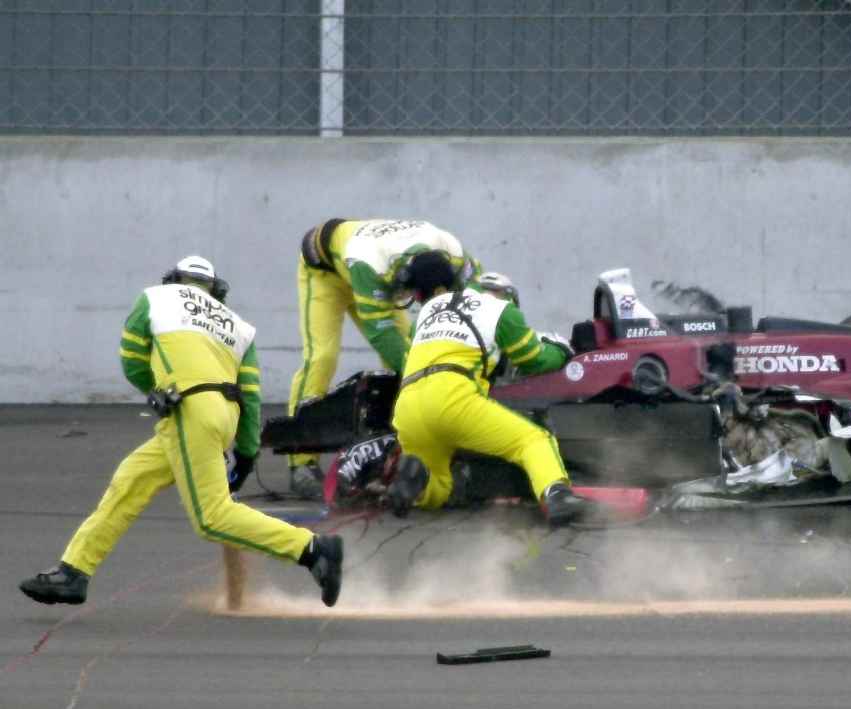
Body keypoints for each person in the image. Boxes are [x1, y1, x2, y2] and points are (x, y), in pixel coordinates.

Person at [19, 256, 344, 607]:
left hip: (189, 410)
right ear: (214, 290)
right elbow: (251, 398)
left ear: (175, 279)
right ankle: (74, 571)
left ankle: (312, 549)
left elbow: (132, 359)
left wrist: (155, 390)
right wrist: (247, 453)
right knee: (131, 480)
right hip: (221, 414)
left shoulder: (155, 298)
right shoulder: (239, 327)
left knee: (212, 518)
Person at [385, 255, 590, 526]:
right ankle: (557, 496)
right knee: (533, 440)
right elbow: (535, 360)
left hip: (408, 404)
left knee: (440, 485)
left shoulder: (429, 310)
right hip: (451, 397)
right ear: (507, 296)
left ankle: (416, 483)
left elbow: (407, 361)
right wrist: (562, 350)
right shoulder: (502, 311)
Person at [286, 218, 479, 500]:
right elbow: (382, 333)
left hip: (373, 263)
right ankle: (301, 464)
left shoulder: (455, 253)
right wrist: (427, 375)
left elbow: (480, 300)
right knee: (322, 357)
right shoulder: (370, 264)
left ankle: (399, 444)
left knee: (410, 352)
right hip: (328, 273)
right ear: (406, 284)